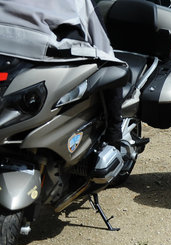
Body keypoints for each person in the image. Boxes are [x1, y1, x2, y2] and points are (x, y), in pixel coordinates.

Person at [0, 0, 125, 148]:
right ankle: (114, 133)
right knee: (107, 61)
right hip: (45, 57)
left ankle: (112, 132)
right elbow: (104, 49)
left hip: (28, 64)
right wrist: (114, 130)